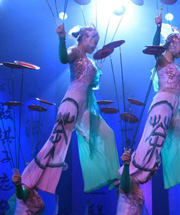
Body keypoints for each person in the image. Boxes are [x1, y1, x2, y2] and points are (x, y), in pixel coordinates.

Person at [21, 23, 119, 194]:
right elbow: (63, 59)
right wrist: (61, 39)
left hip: (86, 106)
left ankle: (111, 175)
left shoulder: (90, 61)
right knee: (56, 143)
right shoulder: (75, 51)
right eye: (94, 41)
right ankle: (30, 179)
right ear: (85, 38)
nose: (96, 45)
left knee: (107, 134)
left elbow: (92, 84)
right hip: (72, 102)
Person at [123, 14, 180, 189]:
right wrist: (158, 28)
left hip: (174, 108)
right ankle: (132, 172)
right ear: (171, 43)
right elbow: (155, 48)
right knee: (153, 140)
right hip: (163, 103)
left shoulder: (176, 66)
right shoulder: (161, 60)